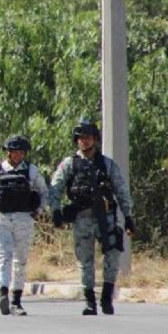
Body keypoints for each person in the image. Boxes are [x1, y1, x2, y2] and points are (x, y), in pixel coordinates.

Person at [48, 117, 135, 315]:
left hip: (106, 217)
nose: (84, 141)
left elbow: (122, 191)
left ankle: (106, 299)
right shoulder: (69, 164)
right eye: (80, 138)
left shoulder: (107, 164)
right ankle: (89, 301)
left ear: (95, 139)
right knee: (85, 260)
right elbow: (56, 187)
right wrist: (55, 211)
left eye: (88, 137)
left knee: (112, 255)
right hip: (82, 218)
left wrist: (128, 217)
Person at [0, 135, 48, 316]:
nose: (17, 155)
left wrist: (38, 211)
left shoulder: (31, 171)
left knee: (20, 260)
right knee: (3, 257)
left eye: (20, 152)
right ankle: (3, 292)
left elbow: (44, 193)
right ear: (7, 153)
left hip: (24, 219)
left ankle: (16, 301)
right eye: (13, 152)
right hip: (1, 219)